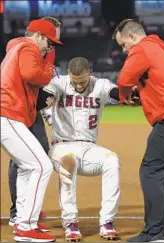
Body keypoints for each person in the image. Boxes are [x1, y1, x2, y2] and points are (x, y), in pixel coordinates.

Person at [40, 57, 122, 241]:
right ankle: (70, 222)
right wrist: (45, 100)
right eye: (74, 81)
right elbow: (45, 95)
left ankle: (107, 221)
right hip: (61, 146)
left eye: (82, 81)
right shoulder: (59, 83)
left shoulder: (99, 84)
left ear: (90, 74)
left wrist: (127, 93)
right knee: (68, 162)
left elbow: (114, 92)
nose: (77, 86)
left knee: (112, 160)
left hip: (89, 147)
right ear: (69, 75)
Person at [112, 19, 164, 242]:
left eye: (123, 45)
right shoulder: (162, 50)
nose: (124, 50)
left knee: (150, 171)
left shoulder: (142, 48)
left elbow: (124, 79)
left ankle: (154, 233)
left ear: (132, 37)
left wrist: (124, 95)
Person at [1, 18, 62, 242]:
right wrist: (48, 68)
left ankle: (24, 220)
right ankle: (25, 227)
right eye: (49, 41)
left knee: (27, 168)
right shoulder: (28, 46)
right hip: (8, 114)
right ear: (38, 35)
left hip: (9, 114)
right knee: (41, 165)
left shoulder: (16, 46)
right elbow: (32, 74)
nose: (49, 46)